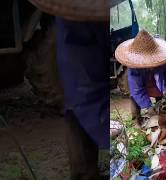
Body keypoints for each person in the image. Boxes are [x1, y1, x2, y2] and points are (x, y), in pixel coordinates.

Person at [27, 0, 109, 179]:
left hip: (97, 59)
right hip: (78, 78)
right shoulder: (76, 23)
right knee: (79, 121)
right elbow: (86, 92)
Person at [115, 30, 166, 127]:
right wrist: (148, 106)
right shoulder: (134, 66)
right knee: (134, 99)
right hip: (141, 84)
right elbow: (137, 90)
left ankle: (160, 116)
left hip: (159, 83)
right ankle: (136, 121)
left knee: (163, 101)